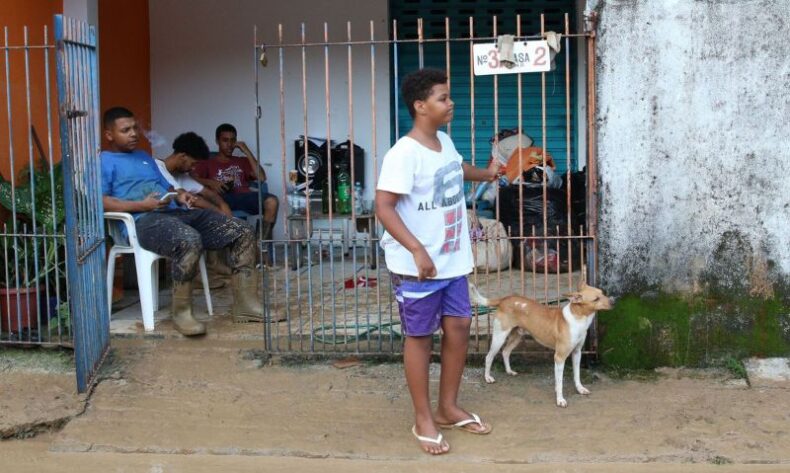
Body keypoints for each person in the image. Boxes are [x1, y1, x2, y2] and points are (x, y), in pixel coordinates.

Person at [374, 69, 501, 455]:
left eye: (449, 96)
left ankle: (447, 407)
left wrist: (486, 173)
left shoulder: (443, 141)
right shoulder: (402, 154)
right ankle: (423, 417)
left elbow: (456, 170)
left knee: (460, 327)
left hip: (451, 261)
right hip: (419, 265)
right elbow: (383, 206)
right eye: (443, 98)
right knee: (420, 337)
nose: (451, 103)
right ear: (420, 105)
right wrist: (416, 249)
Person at [101, 107, 270, 336]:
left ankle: (246, 305)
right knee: (188, 239)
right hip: (143, 221)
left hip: (174, 213)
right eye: (125, 130)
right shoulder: (103, 161)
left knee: (241, 230)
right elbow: (101, 202)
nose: (133, 134)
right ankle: (182, 312)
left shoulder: (144, 157)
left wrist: (180, 195)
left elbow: (167, 186)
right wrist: (142, 205)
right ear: (109, 134)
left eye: (134, 128)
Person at [192, 123, 279, 243]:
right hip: (221, 199)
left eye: (233, 141)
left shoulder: (242, 161)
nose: (229, 145)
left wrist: (246, 151)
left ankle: (260, 247)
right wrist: (210, 182)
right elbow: (190, 179)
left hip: (244, 197)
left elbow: (262, 178)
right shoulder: (207, 161)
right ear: (217, 141)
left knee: (272, 202)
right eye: (225, 140)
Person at [156, 132, 232, 217]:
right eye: (193, 164)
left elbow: (208, 193)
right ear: (183, 156)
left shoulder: (179, 174)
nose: (193, 168)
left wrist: (223, 204)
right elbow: (190, 198)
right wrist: (221, 213)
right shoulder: (157, 167)